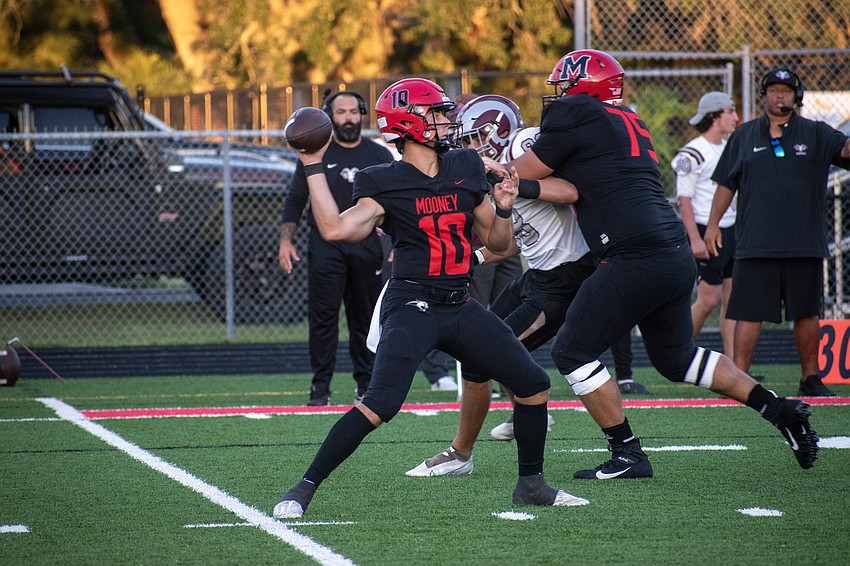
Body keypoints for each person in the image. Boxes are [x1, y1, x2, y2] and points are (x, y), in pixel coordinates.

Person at [273, 78, 587, 519]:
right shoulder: (381, 179)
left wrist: (502, 207)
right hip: (412, 302)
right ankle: (303, 487)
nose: (447, 120)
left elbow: (498, 245)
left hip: (458, 302)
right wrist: (311, 163)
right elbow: (335, 229)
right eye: (436, 113)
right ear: (408, 123)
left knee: (534, 385)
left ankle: (531, 486)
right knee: (381, 403)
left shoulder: (463, 165)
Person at [501, 49, 819, 479]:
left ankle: (628, 452)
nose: (559, 97)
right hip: (671, 250)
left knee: (572, 351)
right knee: (677, 358)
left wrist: (478, 168)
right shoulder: (629, 120)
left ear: (583, 87)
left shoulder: (577, 112)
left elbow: (516, 174)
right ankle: (778, 409)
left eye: (565, 87)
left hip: (634, 254)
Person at [705, 66, 850, 397]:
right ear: (763, 95)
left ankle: (810, 377)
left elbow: (845, 150)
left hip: (804, 241)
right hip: (756, 243)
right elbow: (726, 184)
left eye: (786, 89)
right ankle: (739, 378)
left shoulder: (816, 132)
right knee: (748, 312)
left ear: (796, 96)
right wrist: (713, 225)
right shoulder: (744, 135)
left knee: (806, 311)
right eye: (773, 89)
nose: (779, 94)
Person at [278, 91, 394, 406]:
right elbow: (295, 199)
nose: (348, 117)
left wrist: (395, 240)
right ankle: (320, 388)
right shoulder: (314, 153)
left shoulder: (379, 155)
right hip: (325, 248)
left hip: (368, 247)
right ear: (329, 118)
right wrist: (286, 240)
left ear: (363, 114)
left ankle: (366, 384)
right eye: (341, 112)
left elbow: (395, 201)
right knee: (323, 319)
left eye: (354, 111)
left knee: (365, 319)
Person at [674, 92, 739, 358]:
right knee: (708, 299)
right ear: (714, 116)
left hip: (731, 229)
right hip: (705, 229)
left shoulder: (728, 148)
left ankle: (736, 363)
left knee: (733, 300)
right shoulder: (694, 152)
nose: (735, 117)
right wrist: (695, 239)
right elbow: (684, 200)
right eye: (729, 111)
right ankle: (676, 352)